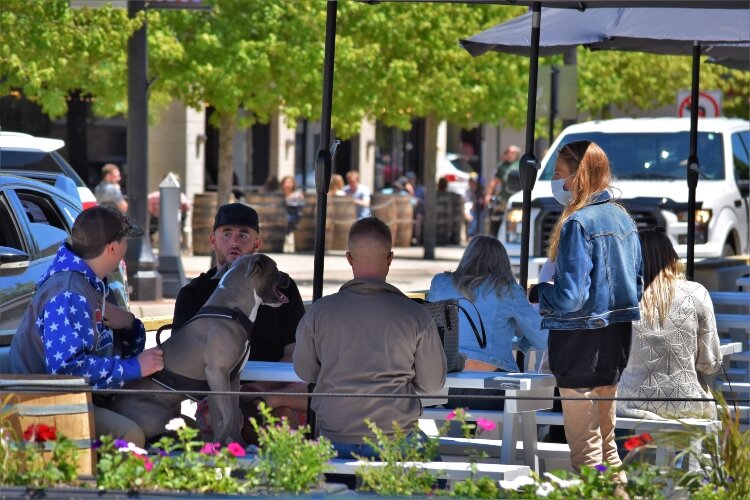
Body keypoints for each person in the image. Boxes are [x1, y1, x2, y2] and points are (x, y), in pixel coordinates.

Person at [529, 140, 643, 477]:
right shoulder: (624, 219)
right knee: (608, 448)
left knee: (586, 452)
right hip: (615, 344)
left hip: (578, 346)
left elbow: (571, 297)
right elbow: (635, 287)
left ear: (579, 175)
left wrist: (540, 294)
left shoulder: (577, 224)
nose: (558, 183)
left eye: (560, 174)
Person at [9, 206, 163, 447]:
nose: (126, 247)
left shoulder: (95, 283)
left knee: (162, 420)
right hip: (42, 402)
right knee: (130, 437)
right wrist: (133, 368)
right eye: (125, 240)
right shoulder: (69, 291)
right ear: (113, 248)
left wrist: (130, 325)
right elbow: (66, 370)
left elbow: (117, 350)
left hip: (83, 396)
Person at [294, 217, 447, 458]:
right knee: (437, 471)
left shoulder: (319, 312)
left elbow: (304, 371)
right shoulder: (415, 314)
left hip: (334, 439)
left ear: (349, 258)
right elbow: (432, 385)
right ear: (390, 259)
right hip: (395, 438)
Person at [172, 202, 307, 441]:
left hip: (273, 391)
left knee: (286, 416)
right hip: (215, 394)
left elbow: (295, 353)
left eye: (243, 235)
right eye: (227, 234)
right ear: (213, 241)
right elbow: (184, 361)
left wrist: (259, 391)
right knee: (216, 420)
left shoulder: (281, 289)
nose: (234, 242)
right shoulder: (194, 293)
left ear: (257, 244)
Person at [428, 235, 548, 409]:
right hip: (491, 390)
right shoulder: (507, 290)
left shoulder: (440, 283)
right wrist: (524, 339)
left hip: (444, 386)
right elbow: (542, 339)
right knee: (525, 399)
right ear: (502, 263)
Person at [618, 228, 721, 420]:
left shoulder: (621, 299)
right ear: (672, 257)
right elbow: (710, 364)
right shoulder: (696, 293)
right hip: (686, 405)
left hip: (630, 405)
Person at [484, 145, 521, 209]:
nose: (509, 154)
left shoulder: (520, 165)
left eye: (512, 152)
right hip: (505, 198)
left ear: (516, 154)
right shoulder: (502, 166)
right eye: (508, 152)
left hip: (518, 197)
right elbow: (495, 181)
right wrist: (488, 195)